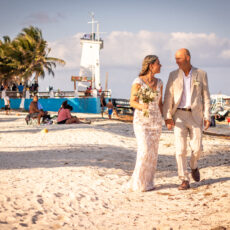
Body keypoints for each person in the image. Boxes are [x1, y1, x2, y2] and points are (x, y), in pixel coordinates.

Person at [163, 48, 211, 190]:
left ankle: (194, 165)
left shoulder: (201, 74)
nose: (176, 61)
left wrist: (207, 116)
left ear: (188, 58)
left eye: (179, 58)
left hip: (196, 116)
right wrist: (167, 117)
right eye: (175, 58)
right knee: (180, 149)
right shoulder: (173, 75)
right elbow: (168, 97)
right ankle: (184, 179)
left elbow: (206, 97)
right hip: (178, 115)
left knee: (197, 149)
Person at [127, 55, 163, 192]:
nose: (161, 66)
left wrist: (168, 118)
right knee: (144, 150)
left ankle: (147, 182)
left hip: (156, 121)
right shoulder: (138, 82)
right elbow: (132, 101)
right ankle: (137, 184)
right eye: (158, 63)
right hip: (142, 121)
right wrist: (143, 107)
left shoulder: (160, 82)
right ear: (151, 65)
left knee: (153, 153)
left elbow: (160, 103)